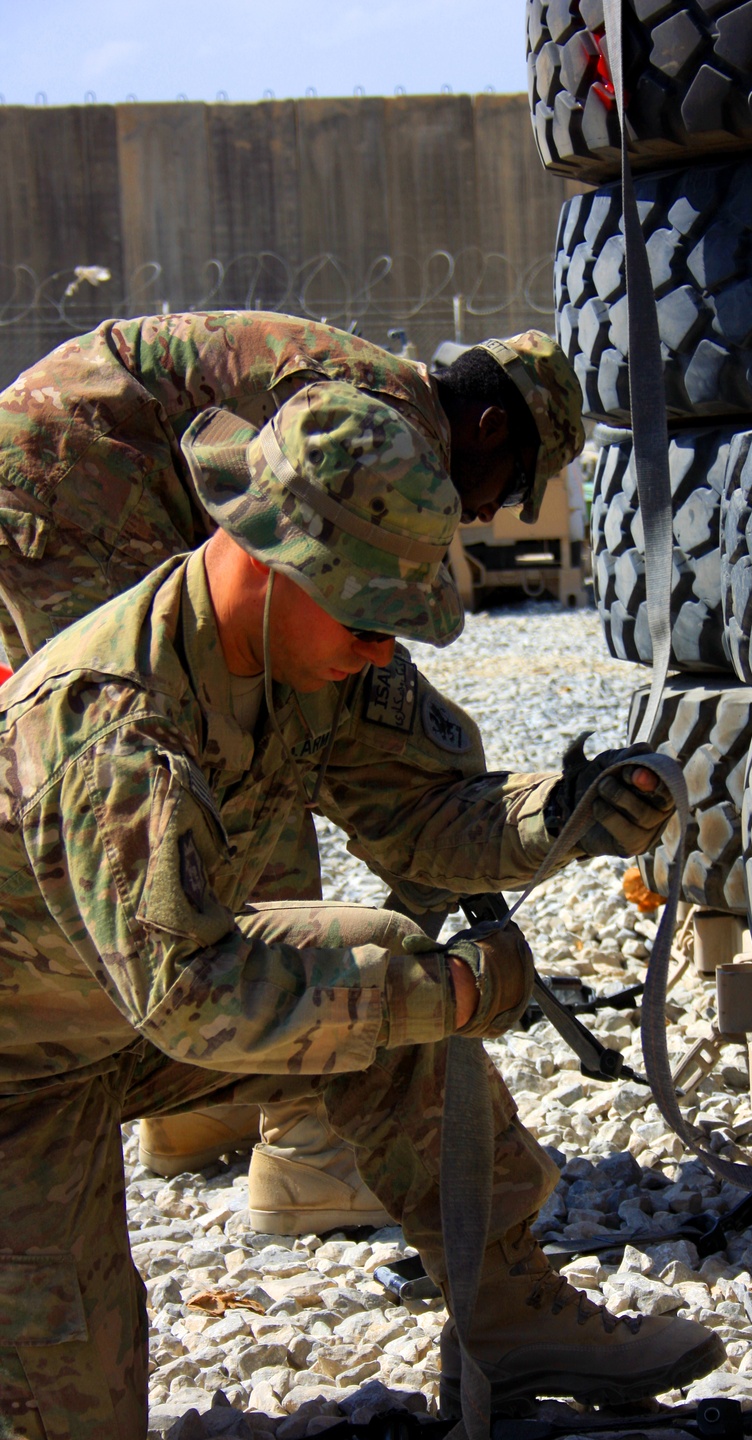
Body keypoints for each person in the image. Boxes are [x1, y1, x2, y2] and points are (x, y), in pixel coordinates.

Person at [0, 366, 724, 1440]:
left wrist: (566, 814)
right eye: (366, 618)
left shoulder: (320, 655)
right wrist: (441, 997)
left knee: (383, 958)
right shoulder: (109, 721)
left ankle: (509, 1307)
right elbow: (190, 991)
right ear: (266, 559)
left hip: (124, 1017)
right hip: (23, 1079)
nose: (384, 652)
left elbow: (428, 814)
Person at [0, 312, 581, 1235]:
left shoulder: (383, 424)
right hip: (79, 471)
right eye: (508, 489)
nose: (484, 515)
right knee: (204, 779)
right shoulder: (381, 429)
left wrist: (551, 815)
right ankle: (301, 1143)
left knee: (258, 742)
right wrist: (432, 995)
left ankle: (200, 1116)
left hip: (76, 458)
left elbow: (399, 777)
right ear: (491, 428)